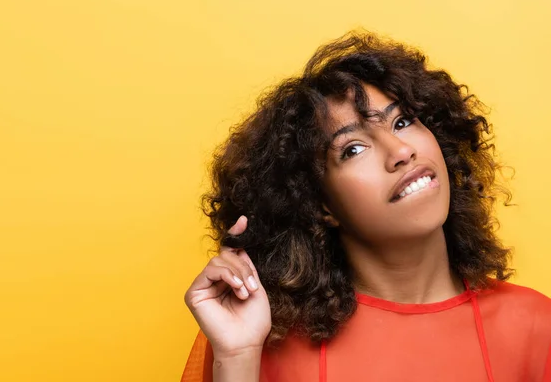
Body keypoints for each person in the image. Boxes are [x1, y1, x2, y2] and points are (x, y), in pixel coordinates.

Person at [181, 31, 551, 382]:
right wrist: (237, 358)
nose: (401, 152)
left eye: (403, 121)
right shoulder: (261, 340)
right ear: (319, 204)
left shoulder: (535, 326)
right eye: (353, 149)